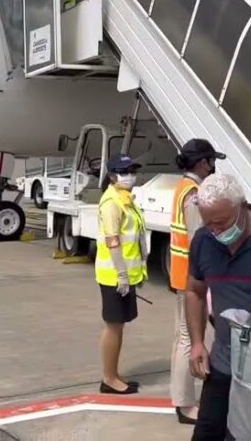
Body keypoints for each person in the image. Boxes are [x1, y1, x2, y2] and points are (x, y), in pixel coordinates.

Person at [184, 173, 251, 441]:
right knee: (207, 434)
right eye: (209, 224)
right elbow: (194, 291)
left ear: (242, 207)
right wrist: (197, 343)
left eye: (222, 223)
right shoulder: (203, 241)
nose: (216, 231)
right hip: (223, 361)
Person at [168, 139, 226, 425]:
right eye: (212, 161)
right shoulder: (193, 194)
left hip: (182, 274)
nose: (214, 167)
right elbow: (197, 240)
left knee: (183, 337)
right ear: (203, 163)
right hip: (190, 278)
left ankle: (183, 398)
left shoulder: (183, 187)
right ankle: (185, 403)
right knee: (189, 339)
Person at [95, 154, 148, 394]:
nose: (130, 176)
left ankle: (114, 374)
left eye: (132, 171)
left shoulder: (125, 199)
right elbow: (113, 241)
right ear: (112, 176)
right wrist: (122, 275)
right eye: (124, 172)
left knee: (119, 326)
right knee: (113, 326)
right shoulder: (111, 202)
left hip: (124, 274)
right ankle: (109, 378)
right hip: (114, 276)